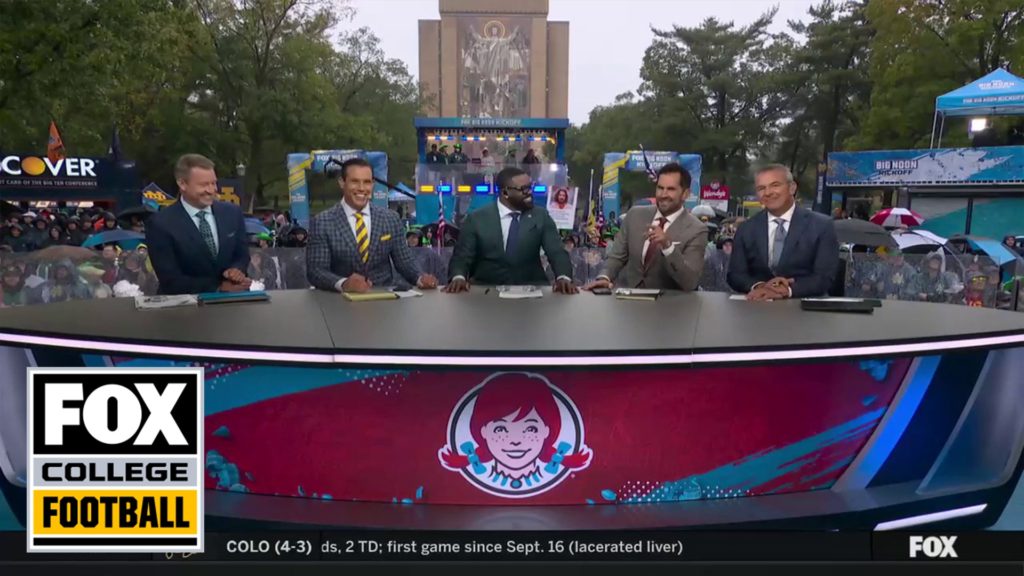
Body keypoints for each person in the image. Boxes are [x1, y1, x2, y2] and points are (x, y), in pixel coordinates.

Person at [306, 158, 438, 293]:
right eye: (355, 181)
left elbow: (404, 261)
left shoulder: (390, 219)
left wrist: (420, 278)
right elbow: (316, 271)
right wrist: (343, 283)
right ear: (342, 182)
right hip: (340, 299)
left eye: (367, 182)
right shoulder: (322, 222)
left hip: (383, 298)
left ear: (373, 184)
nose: (361, 188)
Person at [445, 167, 577, 293]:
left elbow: (557, 251)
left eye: (530, 187)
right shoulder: (476, 219)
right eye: (523, 189)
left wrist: (563, 277)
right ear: (505, 193)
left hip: (532, 291)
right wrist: (458, 277)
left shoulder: (541, 216)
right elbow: (462, 256)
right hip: (487, 290)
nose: (529, 192)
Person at [585, 163, 707, 292]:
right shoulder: (635, 215)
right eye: (660, 188)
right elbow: (616, 257)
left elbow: (689, 282)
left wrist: (668, 246)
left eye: (671, 189)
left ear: (685, 194)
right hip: (629, 299)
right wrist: (605, 277)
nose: (663, 194)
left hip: (670, 302)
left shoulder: (696, 230)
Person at [727, 163, 839, 300]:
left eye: (775, 185)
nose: (768, 192)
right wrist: (761, 287)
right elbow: (735, 275)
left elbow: (824, 277)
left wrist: (787, 290)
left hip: (804, 306)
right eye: (761, 188)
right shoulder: (746, 228)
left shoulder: (822, 225)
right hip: (758, 306)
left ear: (792, 188)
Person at [145, 154, 252, 294]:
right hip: (184, 303)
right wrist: (218, 288)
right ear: (182, 184)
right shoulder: (160, 223)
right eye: (204, 185)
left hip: (233, 301)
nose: (211, 190)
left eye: (213, 183)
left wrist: (236, 270)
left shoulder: (232, 212)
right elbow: (170, 278)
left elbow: (242, 255)